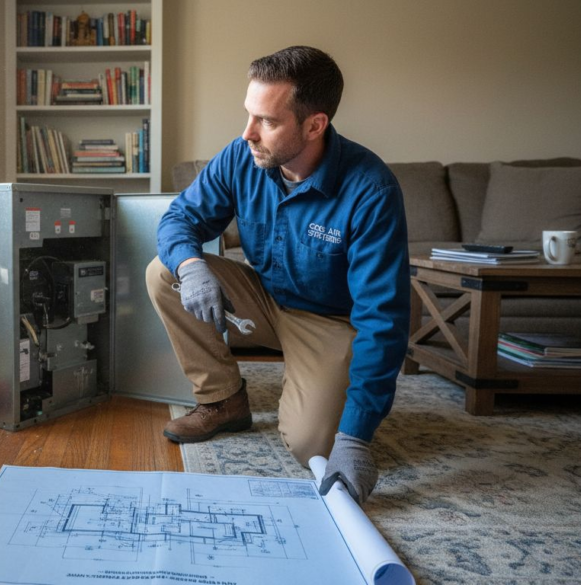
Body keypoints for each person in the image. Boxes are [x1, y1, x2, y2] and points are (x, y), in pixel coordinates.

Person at [146, 46, 410, 504]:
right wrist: (191, 267)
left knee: (316, 447)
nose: (248, 133)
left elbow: (383, 320)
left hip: (329, 321)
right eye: (249, 115)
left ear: (315, 125)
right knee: (164, 272)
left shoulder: (371, 190)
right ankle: (223, 400)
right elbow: (179, 219)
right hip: (265, 297)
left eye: (267, 121)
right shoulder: (241, 156)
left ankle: (328, 406)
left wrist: (355, 438)